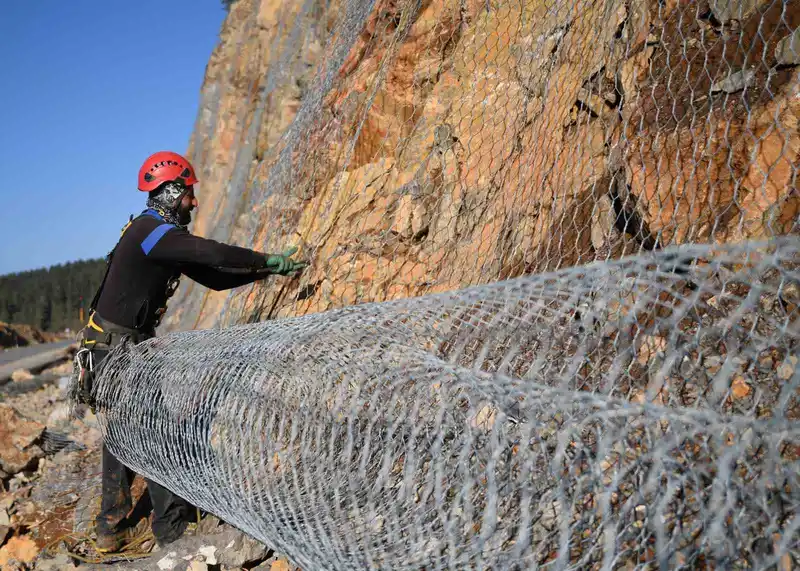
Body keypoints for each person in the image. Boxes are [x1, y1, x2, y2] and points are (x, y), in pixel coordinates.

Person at [77, 150, 306, 552]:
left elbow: (213, 278)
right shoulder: (151, 232)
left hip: (113, 348)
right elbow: (211, 253)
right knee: (153, 430)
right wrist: (265, 258)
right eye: (188, 194)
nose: (194, 202)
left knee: (124, 431)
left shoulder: (156, 236)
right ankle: (172, 529)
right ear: (169, 192)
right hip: (117, 350)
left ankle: (110, 528)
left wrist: (265, 271)